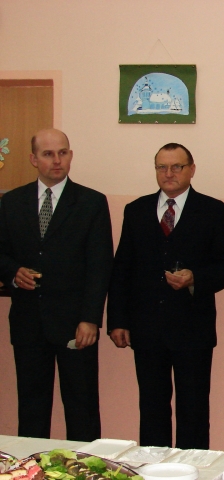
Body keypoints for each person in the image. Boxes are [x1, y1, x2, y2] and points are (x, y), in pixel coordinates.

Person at [107, 143, 224, 449]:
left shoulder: (213, 210)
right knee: (152, 410)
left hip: (193, 329)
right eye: (162, 167)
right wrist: (117, 320)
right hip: (146, 329)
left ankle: (194, 469)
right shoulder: (136, 210)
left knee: (194, 412)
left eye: (176, 166)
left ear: (191, 170)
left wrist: (196, 279)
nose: (169, 173)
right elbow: (122, 267)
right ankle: (154, 468)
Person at [0, 128, 113, 441]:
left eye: (63, 153)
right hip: (28, 322)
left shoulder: (91, 202)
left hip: (76, 324)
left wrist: (90, 318)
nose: (57, 160)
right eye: (48, 154)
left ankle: (86, 464)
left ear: (71, 155)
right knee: (31, 408)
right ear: (33, 159)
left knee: (82, 406)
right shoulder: (12, 202)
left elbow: (100, 265)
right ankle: (31, 465)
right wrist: (12, 272)